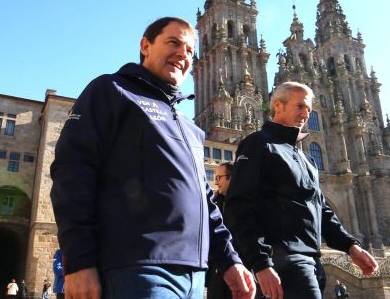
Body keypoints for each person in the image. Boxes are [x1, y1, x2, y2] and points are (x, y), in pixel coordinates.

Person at [50, 17, 254, 299]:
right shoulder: (112, 91)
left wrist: (229, 260)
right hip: (135, 268)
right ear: (145, 45)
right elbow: (72, 172)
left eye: (190, 51)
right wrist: (79, 261)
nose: (183, 54)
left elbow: (204, 201)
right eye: (173, 42)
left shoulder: (190, 129)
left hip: (194, 276)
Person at [224, 81, 379, 299]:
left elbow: (321, 209)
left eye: (309, 109)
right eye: (300, 106)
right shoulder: (258, 144)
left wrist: (351, 246)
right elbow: (238, 207)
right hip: (284, 262)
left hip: (312, 262)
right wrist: (260, 263)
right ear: (278, 106)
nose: (306, 114)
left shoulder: (305, 159)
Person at [206, 162, 235, 299]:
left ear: (231, 178)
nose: (216, 182)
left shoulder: (244, 204)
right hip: (215, 276)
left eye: (219, 178)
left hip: (237, 270)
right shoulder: (214, 203)